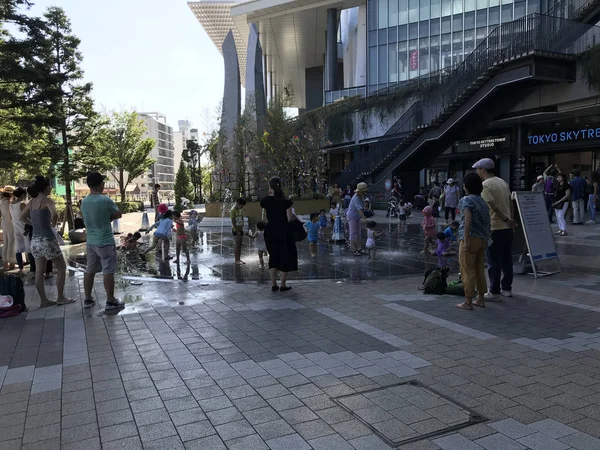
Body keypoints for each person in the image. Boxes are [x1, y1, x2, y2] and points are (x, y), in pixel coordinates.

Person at [20, 176, 74, 307]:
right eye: (50, 185)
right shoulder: (47, 200)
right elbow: (54, 214)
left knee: (39, 271)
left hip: (35, 241)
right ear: (45, 187)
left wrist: (33, 224)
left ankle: (43, 300)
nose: (51, 188)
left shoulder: (31, 202)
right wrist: (53, 225)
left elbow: (22, 217)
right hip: (47, 239)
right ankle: (60, 297)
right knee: (61, 267)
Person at [473, 158, 517, 300]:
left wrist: (505, 219)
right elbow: (511, 203)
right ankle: (507, 288)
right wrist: (510, 220)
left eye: (477, 169)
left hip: (495, 227)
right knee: (506, 258)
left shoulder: (485, 185)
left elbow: (492, 206)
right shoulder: (502, 182)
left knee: (493, 260)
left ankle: (494, 291)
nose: (476, 172)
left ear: (483, 170)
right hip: (507, 228)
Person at [80, 172, 124, 310]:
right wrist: (108, 218)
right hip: (105, 240)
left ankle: (87, 299)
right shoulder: (105, 200)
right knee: (108, 270)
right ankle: (110, 300)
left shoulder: (84, 201)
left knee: (90, 270)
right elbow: (118, 214)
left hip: (91, 241)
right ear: (100, 184)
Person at [456, 172, 491, 310]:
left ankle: (468, 301)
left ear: (466, 186)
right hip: (482, 239)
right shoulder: (482, 201)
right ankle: (481, 299)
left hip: (470, 238)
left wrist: (465, 239)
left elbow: (467, 220)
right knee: (479, 269)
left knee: (467, 270)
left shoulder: (466, 200)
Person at [260, 177, 297, 292]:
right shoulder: (286, 201)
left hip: (270, 230)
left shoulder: (265, 201)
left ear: (270, 188)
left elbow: (265, 216)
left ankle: (273, 284)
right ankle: (283, 285)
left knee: (273, 256)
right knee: (284, 255)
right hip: (284, 230)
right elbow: (289, 218)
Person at [346, 182, 369, 256]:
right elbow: (359, 210)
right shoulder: (355, 197)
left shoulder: (361, 196)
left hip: (357, 216)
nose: (364, 192)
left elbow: (362, 208)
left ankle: (359, 248)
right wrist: (364, 219)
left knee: (359, 233)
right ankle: (353, 249)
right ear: (360, 191)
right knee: (352, 233)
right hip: (352, 216)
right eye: (363, 191)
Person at [10, 188, 29, 274]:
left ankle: (20, 268)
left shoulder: (11, 204)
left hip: (16, 228)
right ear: (22, 195)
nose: (26, 196)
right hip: (24, 227)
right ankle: (33, 268)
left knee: (18, 249)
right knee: (29, 248)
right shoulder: (22, 204)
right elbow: (28, 215)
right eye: (25, 194)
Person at [0, 186, 16, 270]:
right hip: (10, 223)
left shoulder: (1, 202)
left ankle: (5, 262)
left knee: (5, 243)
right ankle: (12, 262)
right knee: (12, 242)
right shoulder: (10, 203)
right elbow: (11, 215)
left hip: (4, 223)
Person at [230, 198, 247, 265]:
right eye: (241, 205)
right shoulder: (233, 210)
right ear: (237, 203)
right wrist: (237, 231)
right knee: (237, 245)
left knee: (240, 245)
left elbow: (242, 219)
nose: (242, 206)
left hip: (240, 229)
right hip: (236, 230)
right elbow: (233, 222)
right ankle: (236, 259)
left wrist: (241, 228)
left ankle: (239, 259)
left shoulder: (240, 210)